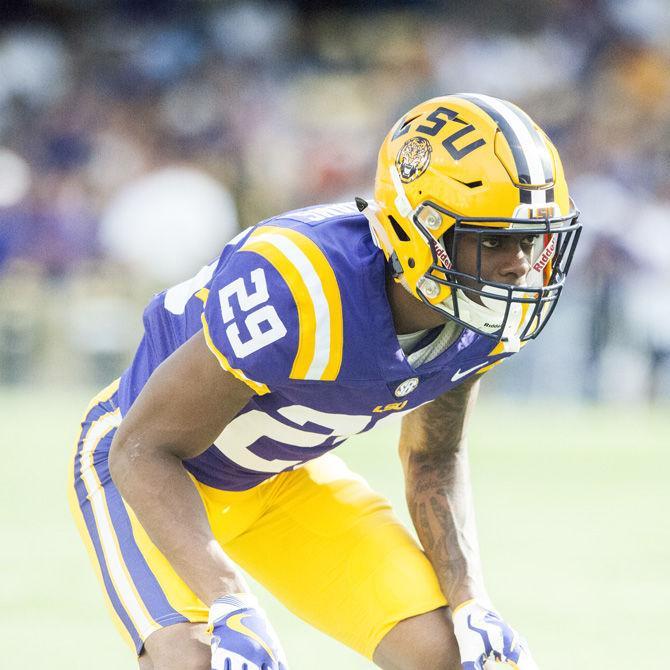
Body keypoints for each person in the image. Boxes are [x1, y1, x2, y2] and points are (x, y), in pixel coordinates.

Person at [69, 93, 581, 670]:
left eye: (530, 238)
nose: (519, 265)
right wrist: (229, 601)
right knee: (203, 663)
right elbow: (144, 448)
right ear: (420, 231)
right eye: (493, 240)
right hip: (146, 465)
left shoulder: (487, 319)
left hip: (281, 478)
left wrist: (472, 603)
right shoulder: (303, 283)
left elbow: (434, 459)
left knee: (454, 657)